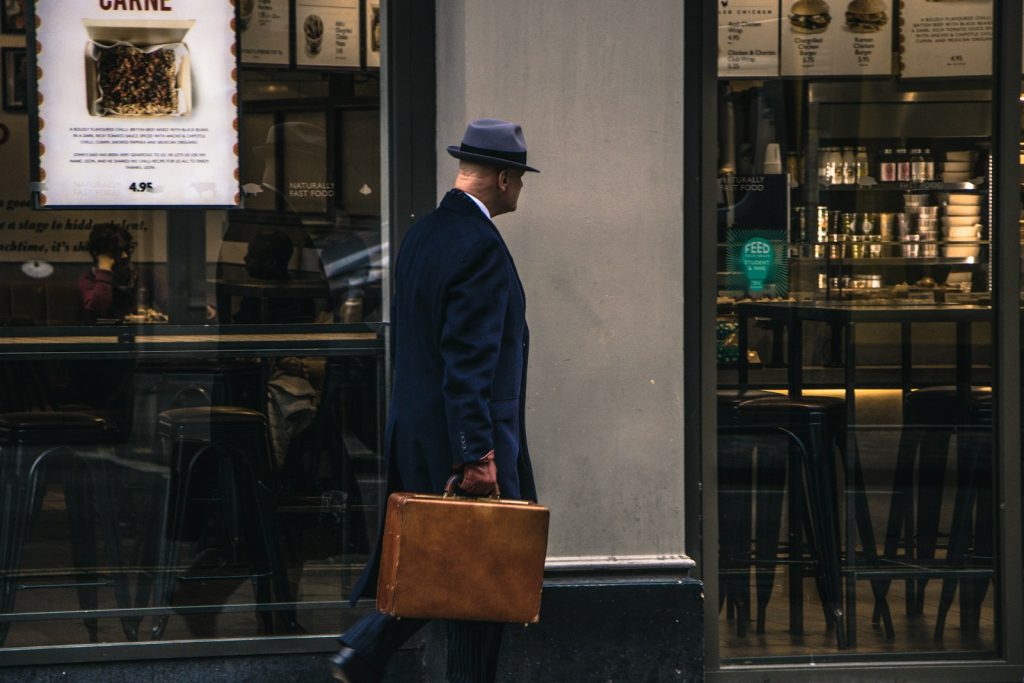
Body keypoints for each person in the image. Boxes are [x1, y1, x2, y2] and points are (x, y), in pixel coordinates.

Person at [329, 118, 540, 683]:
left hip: (419, 430)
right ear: (502, 177)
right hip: (463, 439)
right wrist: (477, 455)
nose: (520, 189)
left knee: (444, 562)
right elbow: (467, 362)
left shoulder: (424, 233)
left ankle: (364, 649)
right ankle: (364, 648)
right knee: (481, 577)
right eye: (519, 179)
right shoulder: (480, 247)